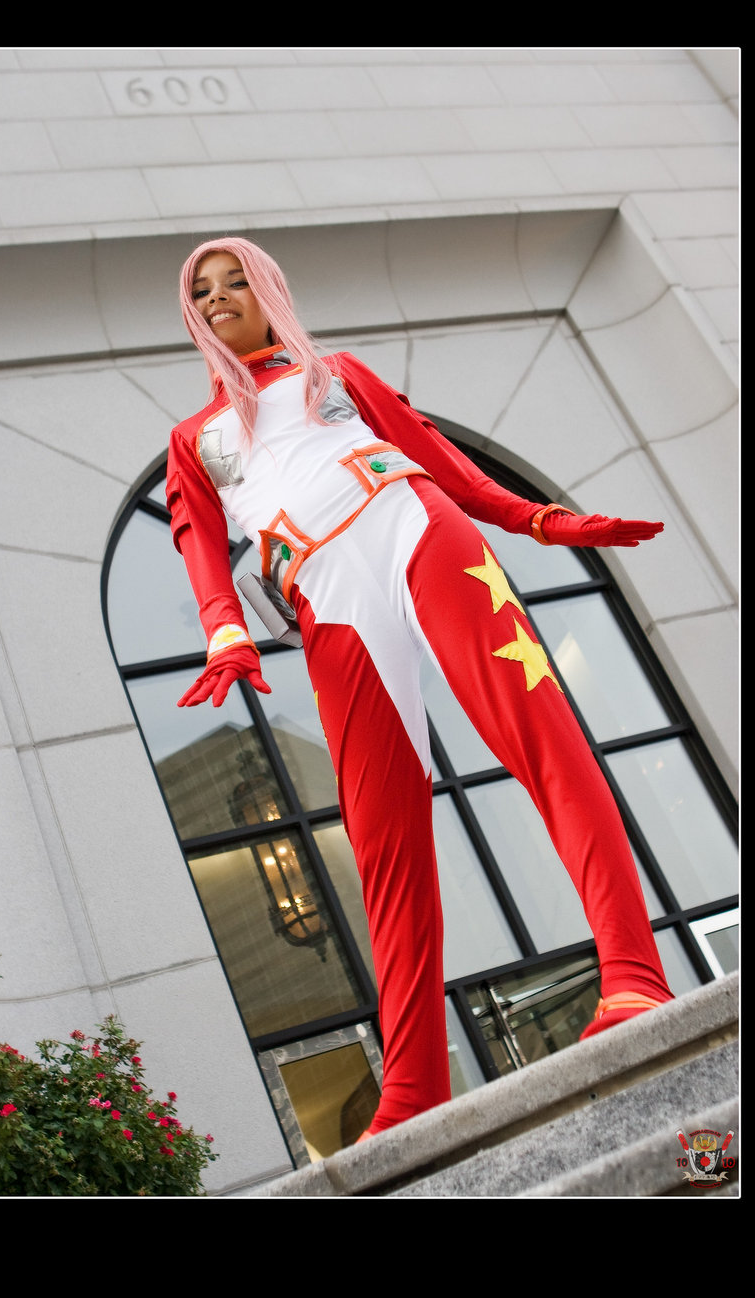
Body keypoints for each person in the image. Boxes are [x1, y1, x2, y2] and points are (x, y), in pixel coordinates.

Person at [165, 236, 675, 1141]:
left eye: (236, 279)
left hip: (415, 528)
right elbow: (198, 542)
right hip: (327, 596)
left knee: (540, 735)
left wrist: (538, 518)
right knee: (380, 833)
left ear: (271, 288)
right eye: (201, 291)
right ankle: (412, 1086)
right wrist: (226, 631)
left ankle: (634, 974)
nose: (218, 297)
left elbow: (436, 456)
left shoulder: (337, 375)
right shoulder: (193, 441)